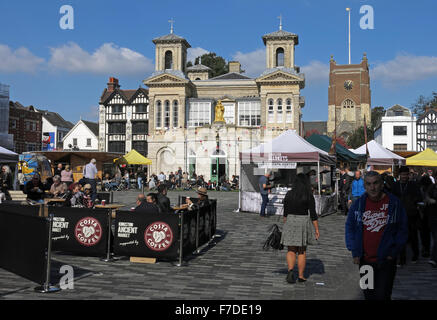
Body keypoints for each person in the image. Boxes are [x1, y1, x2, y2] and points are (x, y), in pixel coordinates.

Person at [345, 171, 408, 300]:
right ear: (364, 186)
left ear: (381, 184)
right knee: (368, 295)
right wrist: (355, 251)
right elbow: (350, 227)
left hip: (386, 260)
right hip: (365, 260)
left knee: (383, 295)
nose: (372, 187)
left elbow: (403, 228)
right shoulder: (358, 204)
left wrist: (394, 250)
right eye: (368, 184)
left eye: (375, 183)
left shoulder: (394, 203)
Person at [281, 173, 320, 284]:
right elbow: (313, 214)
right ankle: (301, 276)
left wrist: (286, 224)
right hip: (303, 222)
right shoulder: (308, 195)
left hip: (290, 220)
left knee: (291, 250)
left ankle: (290, 270)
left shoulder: (289, 194)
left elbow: (285, 213)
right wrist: (316, 229)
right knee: (301, 251)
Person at [392, 166, 422, 265]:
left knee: (413, 236)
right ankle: (402, 258)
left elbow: (419, 197)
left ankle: (415, 255)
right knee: (400, 236)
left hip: (411, 214)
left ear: (409, 175)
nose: (404, 176)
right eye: (402, 174)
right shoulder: (395, 185)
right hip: (399, 214)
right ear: (399, 175)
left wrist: (412, 202)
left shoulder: (413, 185)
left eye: (406, 174)